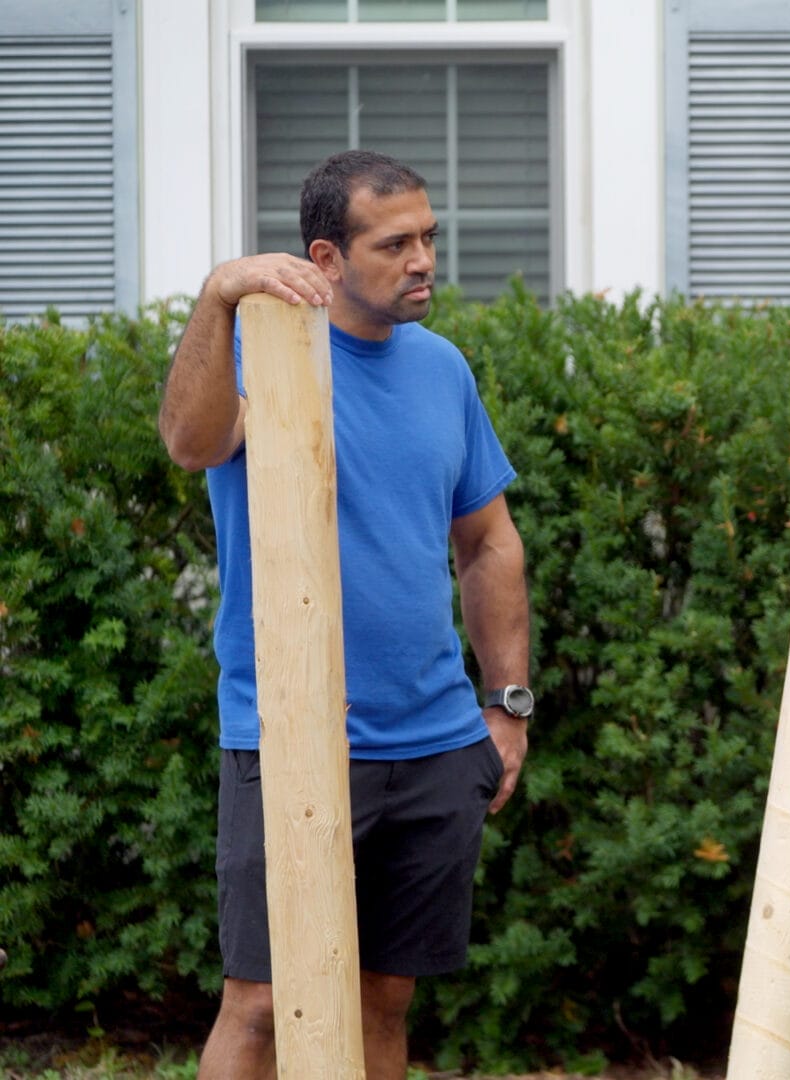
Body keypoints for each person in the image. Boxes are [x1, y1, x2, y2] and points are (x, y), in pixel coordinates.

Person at [157, 150, 533, 1080]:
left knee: (383, 999)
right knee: (258, 1006)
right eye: (394, 242)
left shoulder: (443, 369)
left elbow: (489, 544)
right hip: (289, 733)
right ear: (326, 257)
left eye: (429, 239)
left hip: (435, 740)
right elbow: (188, 441)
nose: (423, 261)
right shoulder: (264, 352)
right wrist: (219, 296)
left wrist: (508, 705)